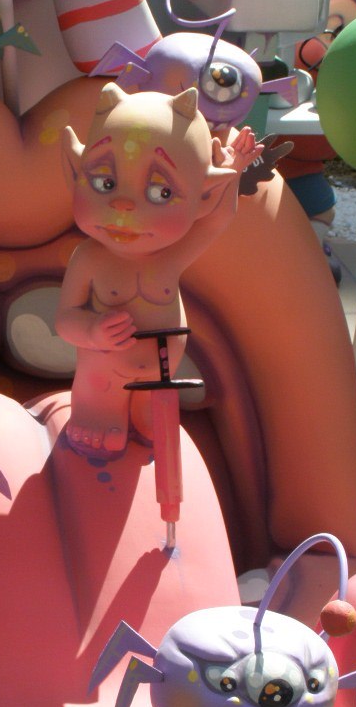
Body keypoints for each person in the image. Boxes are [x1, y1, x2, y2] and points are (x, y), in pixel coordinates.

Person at [56, 82, 261, 458]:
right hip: (102, 375)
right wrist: (92, 331)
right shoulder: (89, 258)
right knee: (99, 403)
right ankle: (98, 414)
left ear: (204, 195)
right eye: (105, 182)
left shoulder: (171, 255)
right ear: (75, 172)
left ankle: (144, 413)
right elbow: (65, 321)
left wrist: (233, 173)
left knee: (155, 419)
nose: (123, 205)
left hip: (161, 371)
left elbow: (218, 221)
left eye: (160, 192)